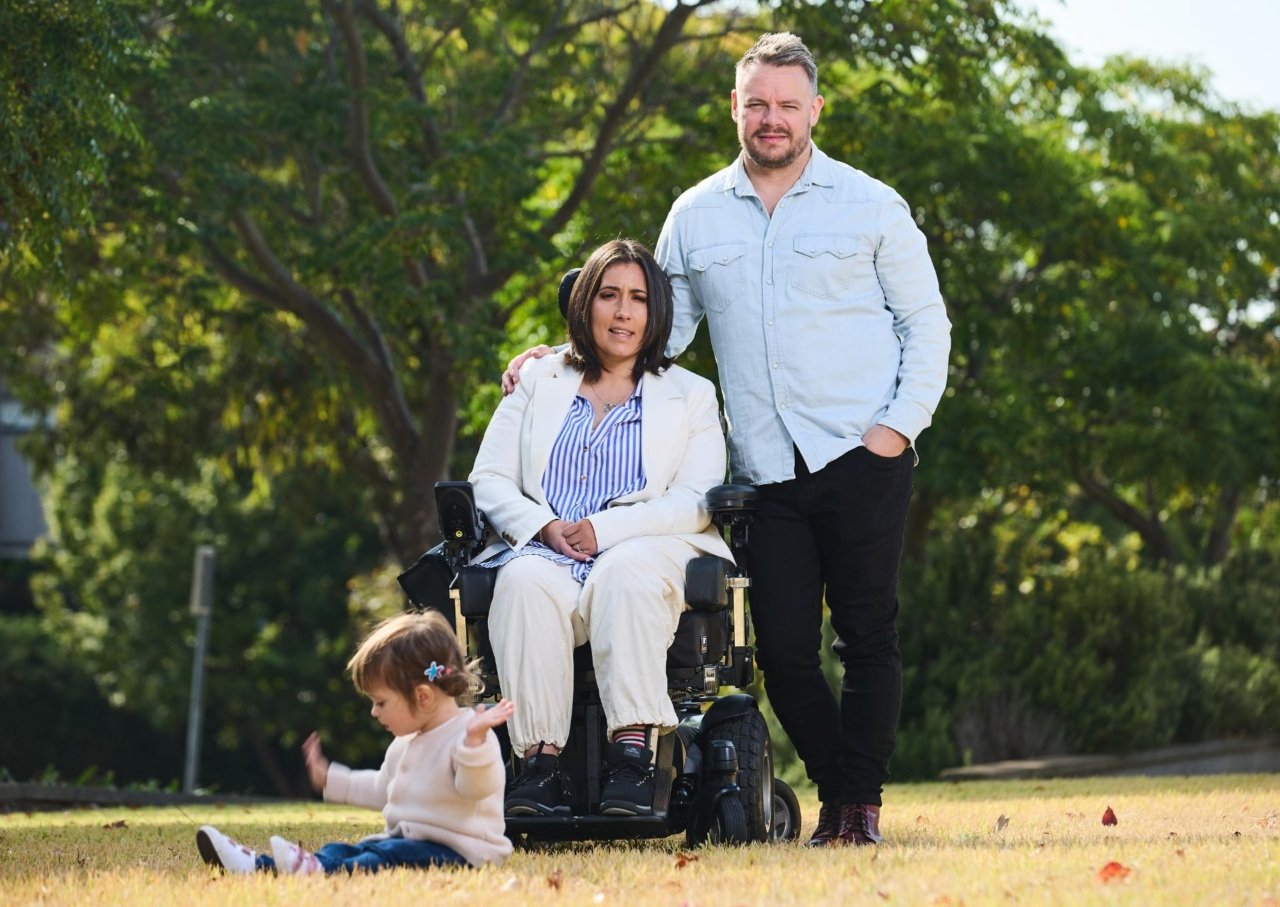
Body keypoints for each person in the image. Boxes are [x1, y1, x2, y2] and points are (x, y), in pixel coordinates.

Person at [503, 34, 950, 846]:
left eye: (787, 104)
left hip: (862, 456)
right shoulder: (695, 214)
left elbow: (926, 325)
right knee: (782, 652)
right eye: (757, 103)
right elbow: (650, 330)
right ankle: (838, 787)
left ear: (814, 110)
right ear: (735, 110)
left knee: (867, 636)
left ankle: (858, 809)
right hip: (760, 472)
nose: (771, 118)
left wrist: (895, 430)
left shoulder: (872, 204)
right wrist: (558, 353)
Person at [470, 238, 732, 818]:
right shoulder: (539, 379)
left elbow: (695, 500)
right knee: (522, 583)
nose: (623, 311)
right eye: (609, 295)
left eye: (638, 298)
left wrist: (605, 529)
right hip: (549, 549)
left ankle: (636, 758)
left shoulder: (689, 395)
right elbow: (487, 478)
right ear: (585, 304)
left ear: (655, 312)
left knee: (624, 570)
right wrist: (542, 526)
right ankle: (538, 767)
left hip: (644, 547)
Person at [195, 610, 515, 875]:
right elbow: (383, 789)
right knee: (348, 849)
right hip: (408, 845)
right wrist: (331, 779)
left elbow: (477, 788)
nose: (374, 712)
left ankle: (317, 873)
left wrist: (474, 743)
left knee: (384, 855)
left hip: (463, 856)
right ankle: (258, 867)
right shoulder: (405, 744)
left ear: (422, 696)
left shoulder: (471, 735)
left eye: (381, 702)